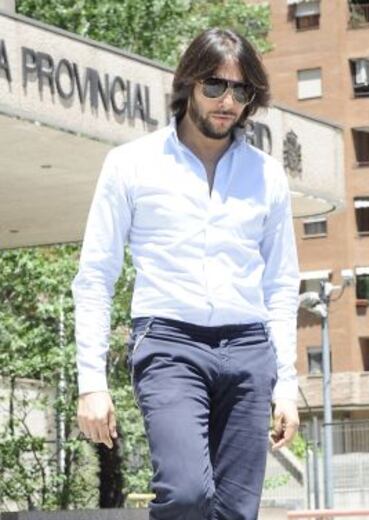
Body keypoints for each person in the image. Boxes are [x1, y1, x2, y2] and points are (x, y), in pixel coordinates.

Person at [73, 27, 300, 520]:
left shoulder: (267, 176)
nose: (228, 102)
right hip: (169, 344)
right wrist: (91, 382)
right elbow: (95, 276)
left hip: (248, 349)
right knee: (187, 494)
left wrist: (286, 384)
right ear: (188, 84)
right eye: (215, 86)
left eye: (242, 91)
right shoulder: (130, 165)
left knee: (237, 511)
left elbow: (282, 285)